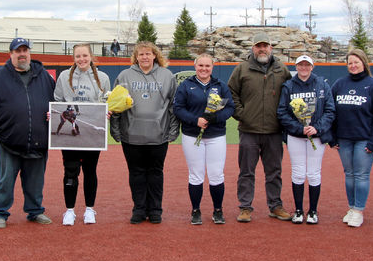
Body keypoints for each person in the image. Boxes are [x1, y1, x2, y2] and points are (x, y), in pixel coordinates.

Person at [0, 37, 55, 228]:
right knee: (4, 181)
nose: (22, 54)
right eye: (17, 51)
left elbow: (57, 103)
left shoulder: (44, 76)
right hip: (7, 141)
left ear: (30, 53)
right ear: (11, 54)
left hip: (38, 140)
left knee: (35, 181)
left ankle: (35, 211)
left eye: (25, 50)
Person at [110, 41, 179, 224]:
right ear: (136, 57)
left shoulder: (167, 76)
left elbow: (173, 106)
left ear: (155, 55)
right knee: (136, 174)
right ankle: (139, 209)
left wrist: (173, 130)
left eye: (148, 54)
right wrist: (115, 131)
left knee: (156, 174)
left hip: (158, 135)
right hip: (132, 135)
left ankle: (155, 209)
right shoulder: (125, 75)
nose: (145, 57)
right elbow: (116, 106)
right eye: (141, 54)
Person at [227, 32, 292, 223]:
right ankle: (245, 207)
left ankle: (275, 206)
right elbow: (231, 93)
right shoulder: (242, 69)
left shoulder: (281, 69)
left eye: (265, 46)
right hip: (249, 130)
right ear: (253, 48)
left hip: (274, 130)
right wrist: (242, 114)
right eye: (258, 46)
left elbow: (291, 94)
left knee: (274, 172)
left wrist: (285, 118)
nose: (262, 49)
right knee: (246, 171)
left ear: (271, 48)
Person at [173, 53, 235, 225]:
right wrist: (195, 120)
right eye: (201, 65)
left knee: (216, 174)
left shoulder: (220, 85)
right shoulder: (186, 85)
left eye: (207, 66)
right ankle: (195, 210)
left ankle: (217, 210)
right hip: (192, 135)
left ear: (212, 67)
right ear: (195, 66)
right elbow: (178, 108)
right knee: (196, 175)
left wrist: (214, 118)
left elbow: (230, 107)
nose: (204, 69)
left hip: (215, 135)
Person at [54, 43, 111, 225]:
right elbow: (57, 101)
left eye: (85, 55)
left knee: (90, 170)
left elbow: (106, 102)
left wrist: (108, 112)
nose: (81, 59)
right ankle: (69, 210)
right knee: (70, 171)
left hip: (93, 137)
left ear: (91, 56)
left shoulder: (102, 77)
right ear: (73, 58)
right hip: (71, 135)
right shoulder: (64, 76)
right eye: (78, 56)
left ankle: (89, 209)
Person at [330, 49, 373, 228]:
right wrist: (332, 138)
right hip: (344, 138)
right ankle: (351, 207)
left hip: (364, 139)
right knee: (349, 174)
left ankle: (358, 210)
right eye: (350, 63)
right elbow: (330, 110)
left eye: (356, 62)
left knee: (361, 175)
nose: (353, 66)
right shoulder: (340, 84)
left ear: (364, 63)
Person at [277, 55, 336, 224]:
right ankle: (298, 211)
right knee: (298, 172)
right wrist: (299, 128)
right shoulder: (288, 86)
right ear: (296, 66)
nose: (304, 68)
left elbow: (330, 111)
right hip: (296, 136)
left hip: (316, 136)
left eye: (307, 65)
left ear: (312, 66)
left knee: (314, 173)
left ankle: (313, 211)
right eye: (300, 65)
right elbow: (282, 112)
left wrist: (317, 127)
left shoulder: (322, 84)